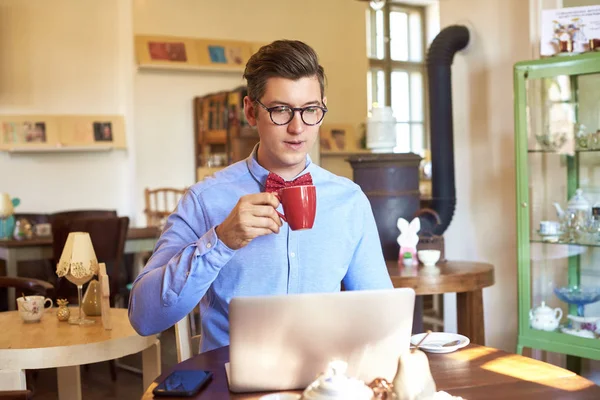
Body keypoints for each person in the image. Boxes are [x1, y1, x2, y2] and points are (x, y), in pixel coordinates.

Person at [128, 40, 393, 352]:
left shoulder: (350, 201)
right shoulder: (204, 200)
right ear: (251, 112)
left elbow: (383, 315)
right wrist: (220, 241)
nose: (298, 128)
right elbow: (144, 318)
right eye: (281, 110)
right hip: (232, 386)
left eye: (310, 110)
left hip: (324, 383)